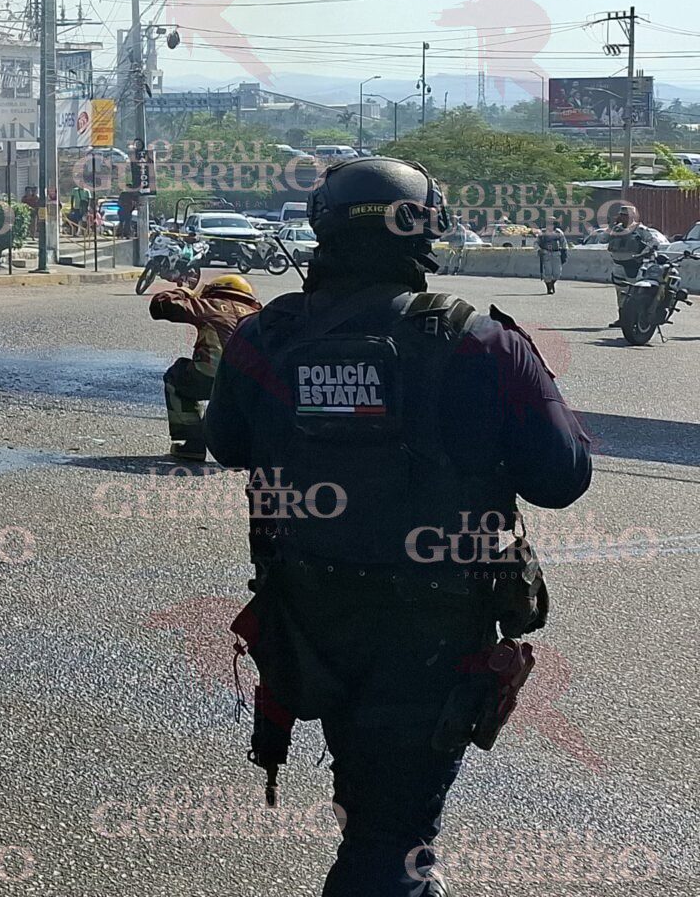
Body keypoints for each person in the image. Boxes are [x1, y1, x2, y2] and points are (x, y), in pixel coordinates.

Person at [206, 156, 591, 896]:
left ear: (321, 229)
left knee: (375, 813)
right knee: (392, 842)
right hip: (435, 630)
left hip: (309, 620)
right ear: (428, 230)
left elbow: (226, 443)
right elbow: (562, 479)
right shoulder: (480, 341)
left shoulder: (264, 338)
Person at [147, 272, 260, 458]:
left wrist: (185, 291)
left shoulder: (208, 305)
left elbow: (160, 306)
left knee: (177, 375)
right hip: (252, 384)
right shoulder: (258, 314)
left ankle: (192, 444)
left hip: (211, 378)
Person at [534, 222, 568, 295]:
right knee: (547, 272)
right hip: (546, 254)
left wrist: (564, 251)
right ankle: (549, 288)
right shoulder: (542, 233)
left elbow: (564, 242)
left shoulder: (558, 232)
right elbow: (536, 243)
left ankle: (552, 283)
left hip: (556, 253)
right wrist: (539, 250)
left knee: (557, 273)